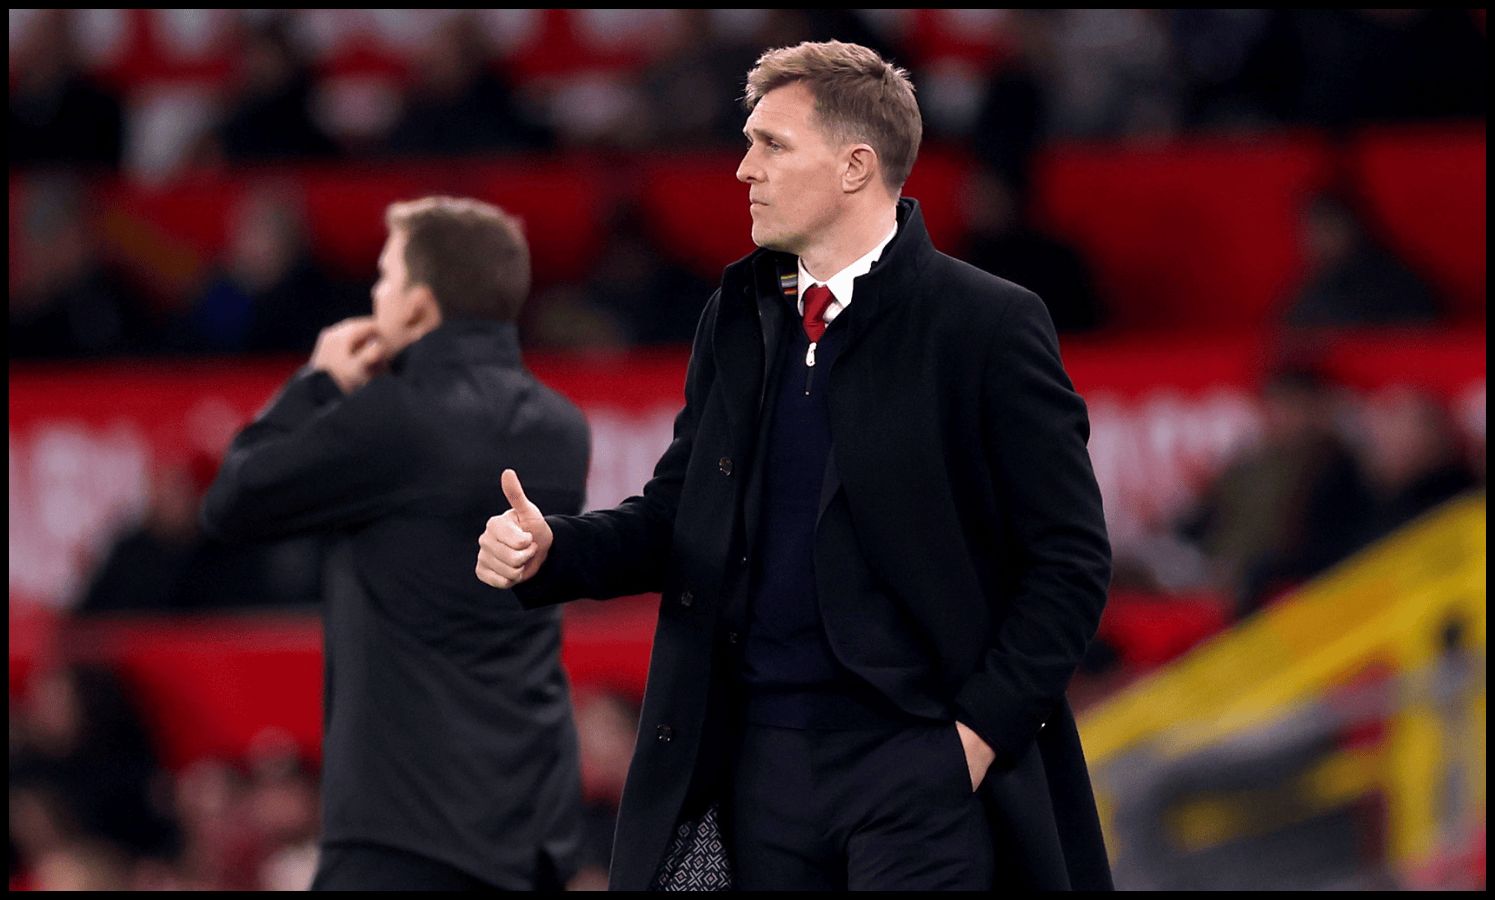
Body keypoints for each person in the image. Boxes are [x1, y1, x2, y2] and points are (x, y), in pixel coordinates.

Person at [478, 41, 1113, 890]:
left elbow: (1069, 562)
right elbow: (681, 519)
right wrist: (554, 550)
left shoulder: (987, 325)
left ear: (855, 166)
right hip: (756, 772)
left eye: (771, 145)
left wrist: (970, 742)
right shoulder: (737, 317)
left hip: (918, 769)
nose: (744, 170)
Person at [203, 196, 590, 890]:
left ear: (416, 304)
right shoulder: (561, 427)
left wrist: (317, 383)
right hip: (530, 826)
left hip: (406, 834)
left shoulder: (393, 419)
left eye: (384, 278)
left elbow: (234, 500)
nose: (373, 295)